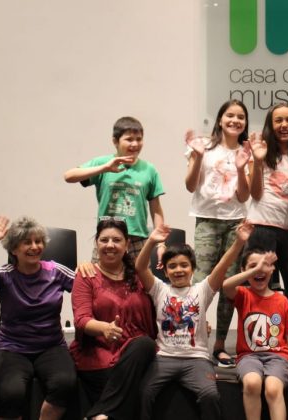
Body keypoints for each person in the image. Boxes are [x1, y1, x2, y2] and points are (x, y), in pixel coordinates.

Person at [135, 222, 253, 420]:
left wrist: (239, 242)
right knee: (144, 393)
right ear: (164, 271)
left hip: (196, 359)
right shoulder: (159, 289)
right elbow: (140, 267)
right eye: (172, 266)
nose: (178, 270)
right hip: (165, 357)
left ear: (192, 269)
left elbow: (223, 265)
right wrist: (152, 241)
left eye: (184, 265)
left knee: (210, 395)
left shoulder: (202, 290)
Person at [0, 216, 76, 420]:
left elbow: (89, 289)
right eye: (27, 242)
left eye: (38, 241)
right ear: (14, 249)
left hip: (51, 347)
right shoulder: (4, 275)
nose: (35, 246)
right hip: (10, 349)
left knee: (65, 384)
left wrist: (88, 267)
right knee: (12, 394)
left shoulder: (56, 271)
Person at [185, 99, 252, 368]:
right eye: (230, 115)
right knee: (200, 282)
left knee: (229, 287)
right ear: (221, 119)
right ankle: (194, 340)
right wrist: (198, 156)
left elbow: (245, 195)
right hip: (206, 222)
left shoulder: (246, 152)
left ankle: (221, 346)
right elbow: (190, 186)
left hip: (235, 222)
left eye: (240, 117)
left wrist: (240, 168)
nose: (235, 121)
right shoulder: (204, 146)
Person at [70, 219, 157, 420]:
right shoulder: (86, 275)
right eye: (104, 240)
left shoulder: (139, 274)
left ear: (127, 244)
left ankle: (97, 415)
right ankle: (101, 416)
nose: (110, 245)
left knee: (143, 344)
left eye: (117, 240)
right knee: (127, 385)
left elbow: (164, 301)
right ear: (96, 244)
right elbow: (81, 319)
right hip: (98, 353)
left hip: (135, 352)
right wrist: (104, 328)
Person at [64, 116, 165, 262]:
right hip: (107, 238)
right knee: (99, 282)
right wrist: (105, 168)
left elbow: (156, 209)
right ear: (115, 141)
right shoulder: (103, 162)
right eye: (129, 139)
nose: (135, 144)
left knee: (139, 283)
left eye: (139, 139)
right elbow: (69, 176)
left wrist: (161, 244)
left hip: (137, 239)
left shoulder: (149, 170)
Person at [222, 248, 288, 420]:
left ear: (272, 269)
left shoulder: (282, 300)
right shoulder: (243, 295)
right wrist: (256, 268)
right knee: (252, 383)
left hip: (278, 356)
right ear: (245, 271)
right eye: (253, 266)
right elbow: (226, 285)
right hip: (248, 356)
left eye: (265, 266)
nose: (259, 270)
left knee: (273, 388)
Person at [246, 103, 288, 316]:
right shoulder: (261, 151)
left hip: (287, 228)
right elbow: (255, 193)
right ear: (271, 125)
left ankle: (283, 335)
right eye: (278, 120)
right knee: (261, 285)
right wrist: (259, 161)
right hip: (262, 226)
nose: (284, 125)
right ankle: (258, 337)